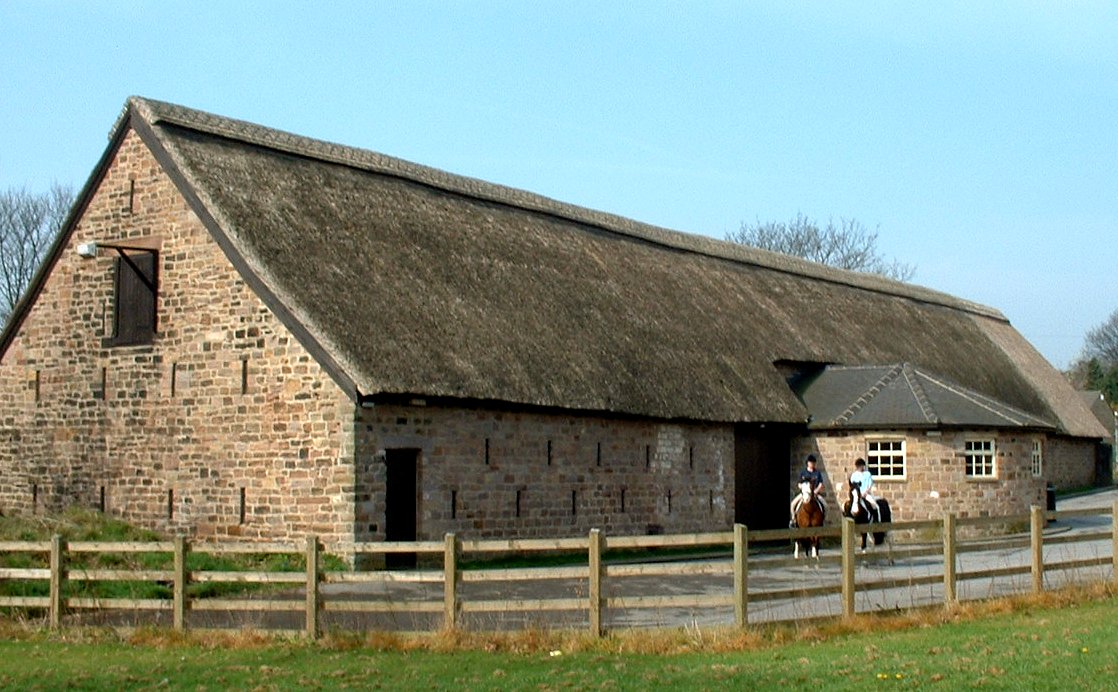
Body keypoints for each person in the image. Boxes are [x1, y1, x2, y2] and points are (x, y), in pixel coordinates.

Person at [789, 454, 826, 527]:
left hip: (814, 493)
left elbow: (820, 484)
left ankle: (823, 520)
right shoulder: (803, 473)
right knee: (792, 504)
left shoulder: (817, 473)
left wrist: (816, 491)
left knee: (825, 506)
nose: (812, 464)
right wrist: (803, 489)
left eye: (813, 463)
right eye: (810, 462)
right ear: (807, 463)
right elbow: (799, 484)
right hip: (804, 493)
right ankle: (794, 520)